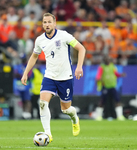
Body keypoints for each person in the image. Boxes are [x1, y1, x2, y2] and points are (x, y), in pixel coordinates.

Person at [21, 13, 86, 142]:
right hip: (50, 76)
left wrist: (79, 67)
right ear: (42, 24)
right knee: (43, 103)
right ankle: (48, 135)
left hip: (65, 77)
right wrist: (25, 73)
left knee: (66, 109)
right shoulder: (40, 40)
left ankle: (75, 119)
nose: (47, 24)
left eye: (49, 22)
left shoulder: (64, 35)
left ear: (54, 23)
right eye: (44, 22)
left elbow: (81, 49)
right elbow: (34, 56)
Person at [95, 56, 126, 121]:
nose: (108, 61)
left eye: (109, 59)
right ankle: (99, 116)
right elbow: (99, 75)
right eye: (106, 59)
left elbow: (116, 74)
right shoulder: (102, 67)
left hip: (113, 86)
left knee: (117, 100)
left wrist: (120, 75)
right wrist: (98, 79)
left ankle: (120, 116)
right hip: (105, 86)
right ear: (104, 60)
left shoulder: (112, 66)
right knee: (102, 101)